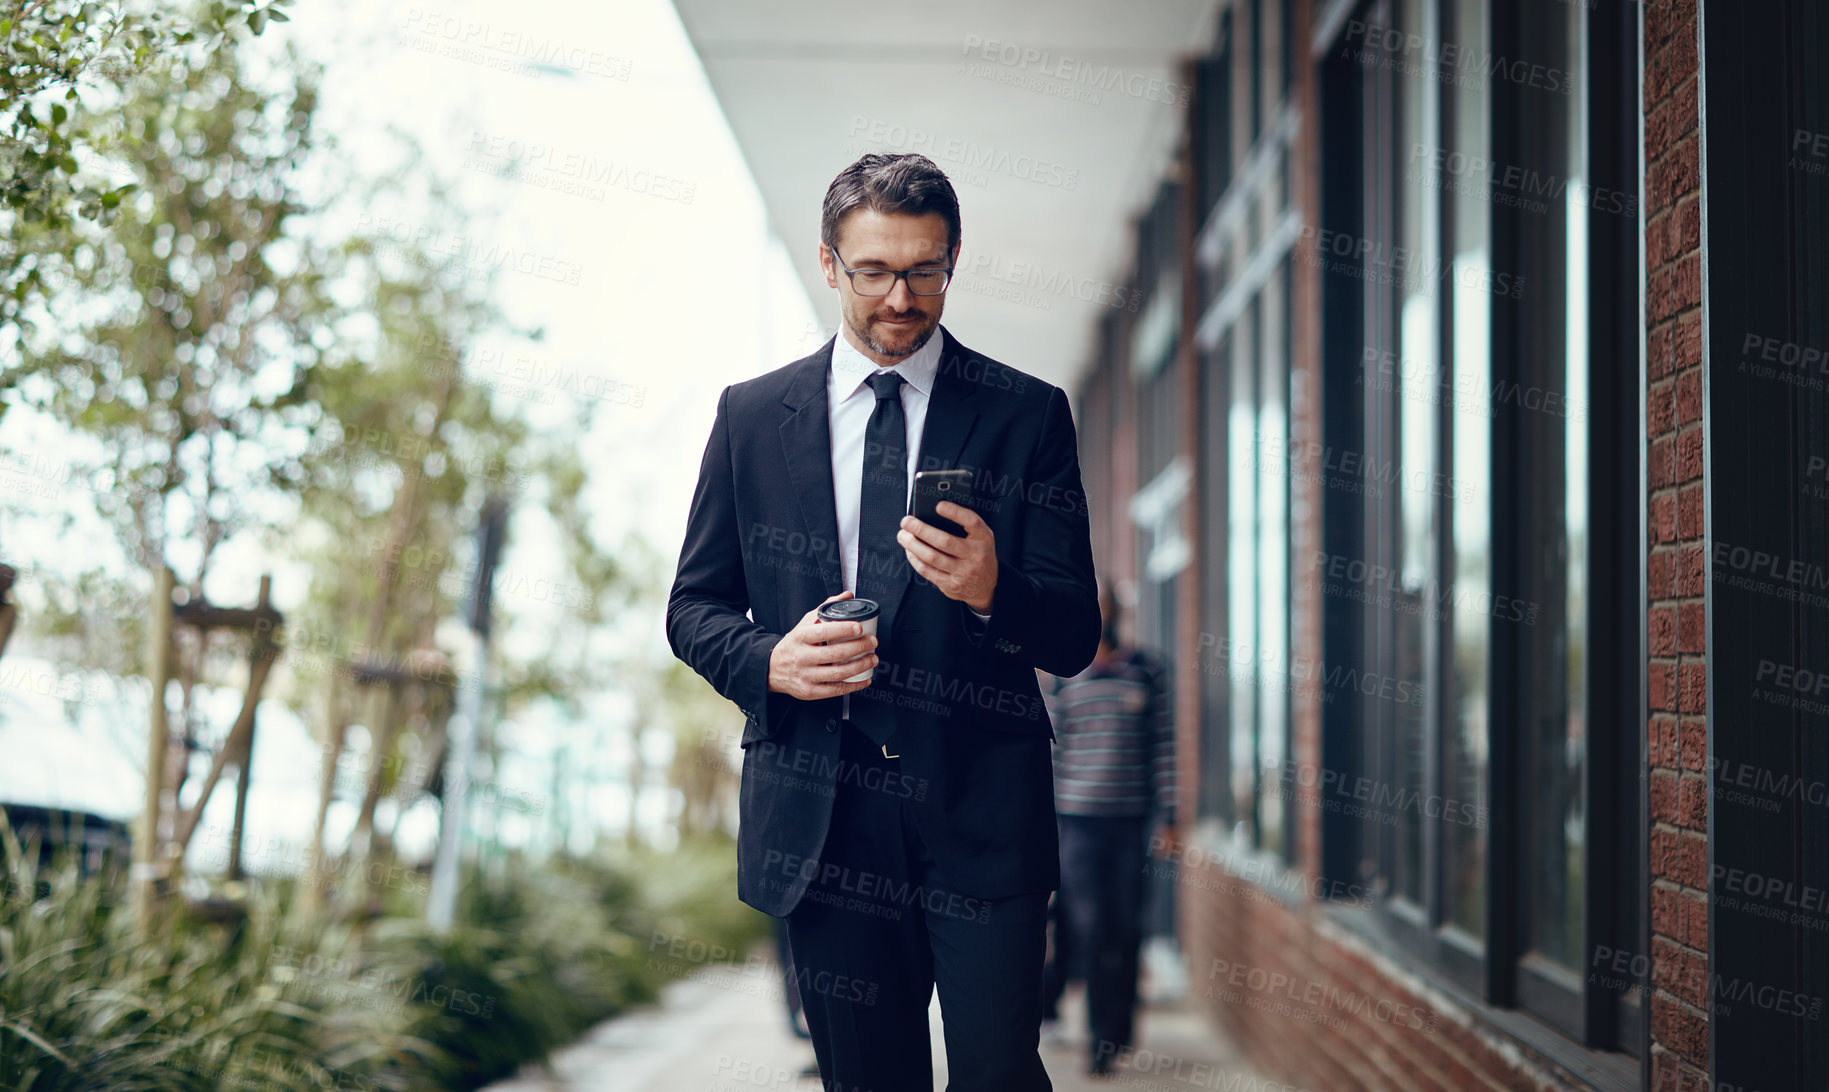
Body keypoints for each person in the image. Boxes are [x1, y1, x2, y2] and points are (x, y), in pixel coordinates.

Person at [667, 153, 1100, 1092]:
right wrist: (769, 659)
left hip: (981, 812)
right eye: (873, 272)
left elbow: (1072, 634)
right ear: (828, 264)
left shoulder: (1027, 416)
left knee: (996, 1076)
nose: (900, 298)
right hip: (824, 823)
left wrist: (994, 590)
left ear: (952, 262)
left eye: (924, 271)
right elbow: (692, 607)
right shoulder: (749, 418)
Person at [1038, 584, 1175, 1076]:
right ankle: (1098, 1042)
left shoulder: (1149, 670)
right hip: (1077, 824)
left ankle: (1119, 1029)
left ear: (1118, 611)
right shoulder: (1061, 677)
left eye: (1107, 606)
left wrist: (1170, 817)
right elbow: (1050, 755)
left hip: (1132, 822)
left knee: (1128, 927)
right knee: (1091, 929)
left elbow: (1164, 749)